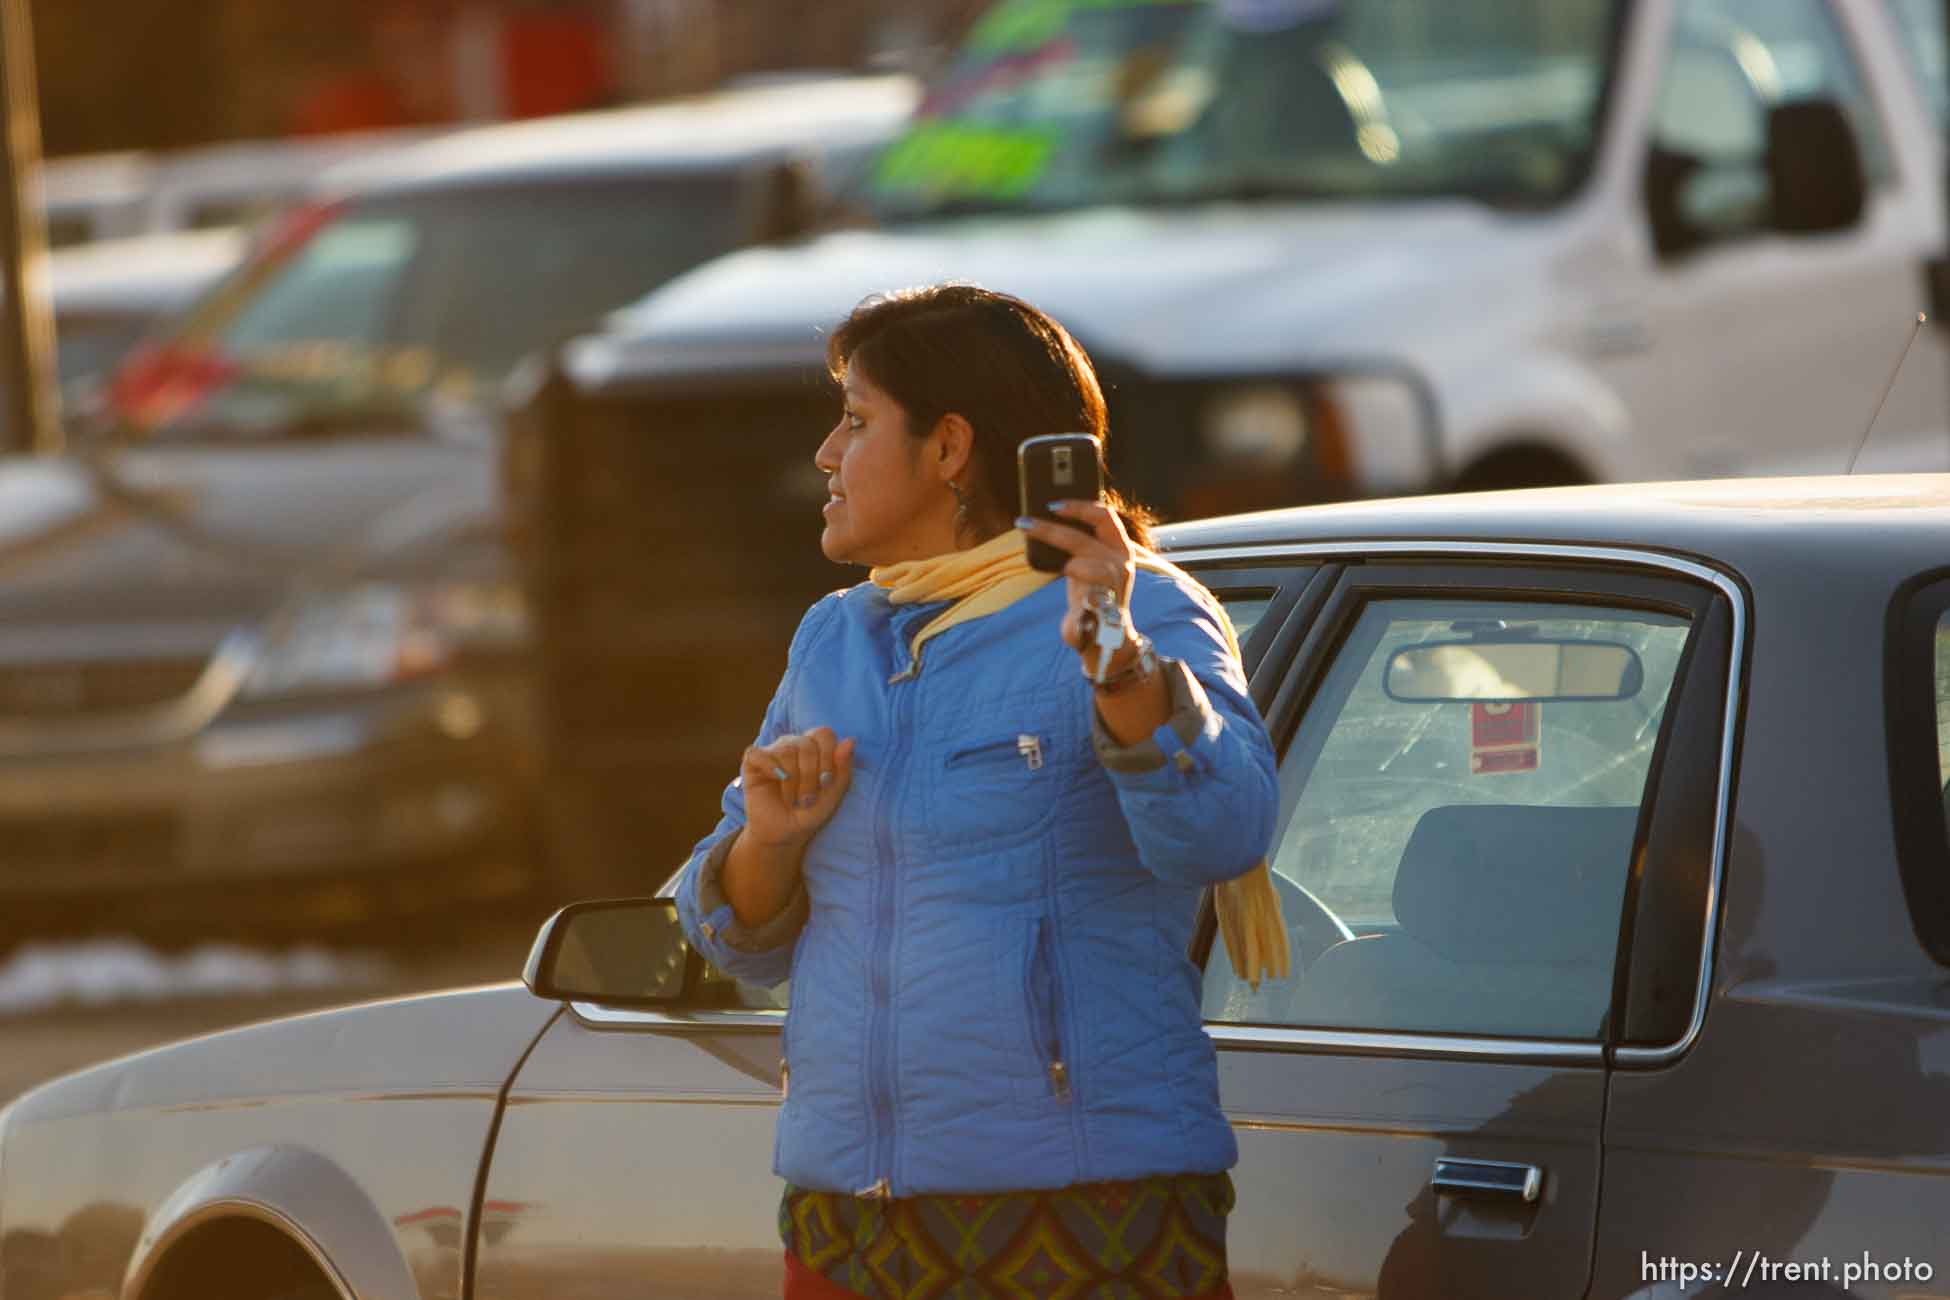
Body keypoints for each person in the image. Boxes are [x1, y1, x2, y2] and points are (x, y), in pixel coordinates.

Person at [674, 283, 1281, 1300]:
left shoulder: (1141, 609)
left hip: (1085, 1209)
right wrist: (770, 845)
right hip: (846, 1218)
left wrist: (1113, 659)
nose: (825, 454)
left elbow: (1224, 830)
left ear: (949, 448)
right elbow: (732, 936)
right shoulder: (837, 638)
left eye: (857, 421)